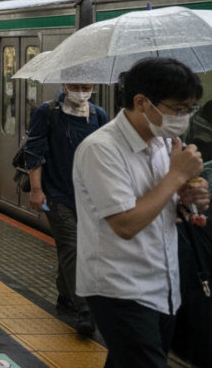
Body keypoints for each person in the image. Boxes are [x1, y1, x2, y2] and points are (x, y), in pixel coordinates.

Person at [73, 58, 210, 368]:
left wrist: (192, 198)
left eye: (190, 109)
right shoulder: (101, 149)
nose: (184, 117)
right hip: (120, 287)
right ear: (141, 102)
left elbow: (163, 202)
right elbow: (125, 224)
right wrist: (176, 175)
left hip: (163, 282)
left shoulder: (165, 144)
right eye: (178, 109)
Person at [24, 82, 108, 335]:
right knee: (73, 248)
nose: (81, 90)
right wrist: (36, 190)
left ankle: (65, 295)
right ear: (64, 84)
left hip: (89, 198)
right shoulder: (47, 112)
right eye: (75, 85)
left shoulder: (98, 115)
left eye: (86, 86)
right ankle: (86, 310)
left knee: (74, 248)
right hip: (57, 195)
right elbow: (34, 151)